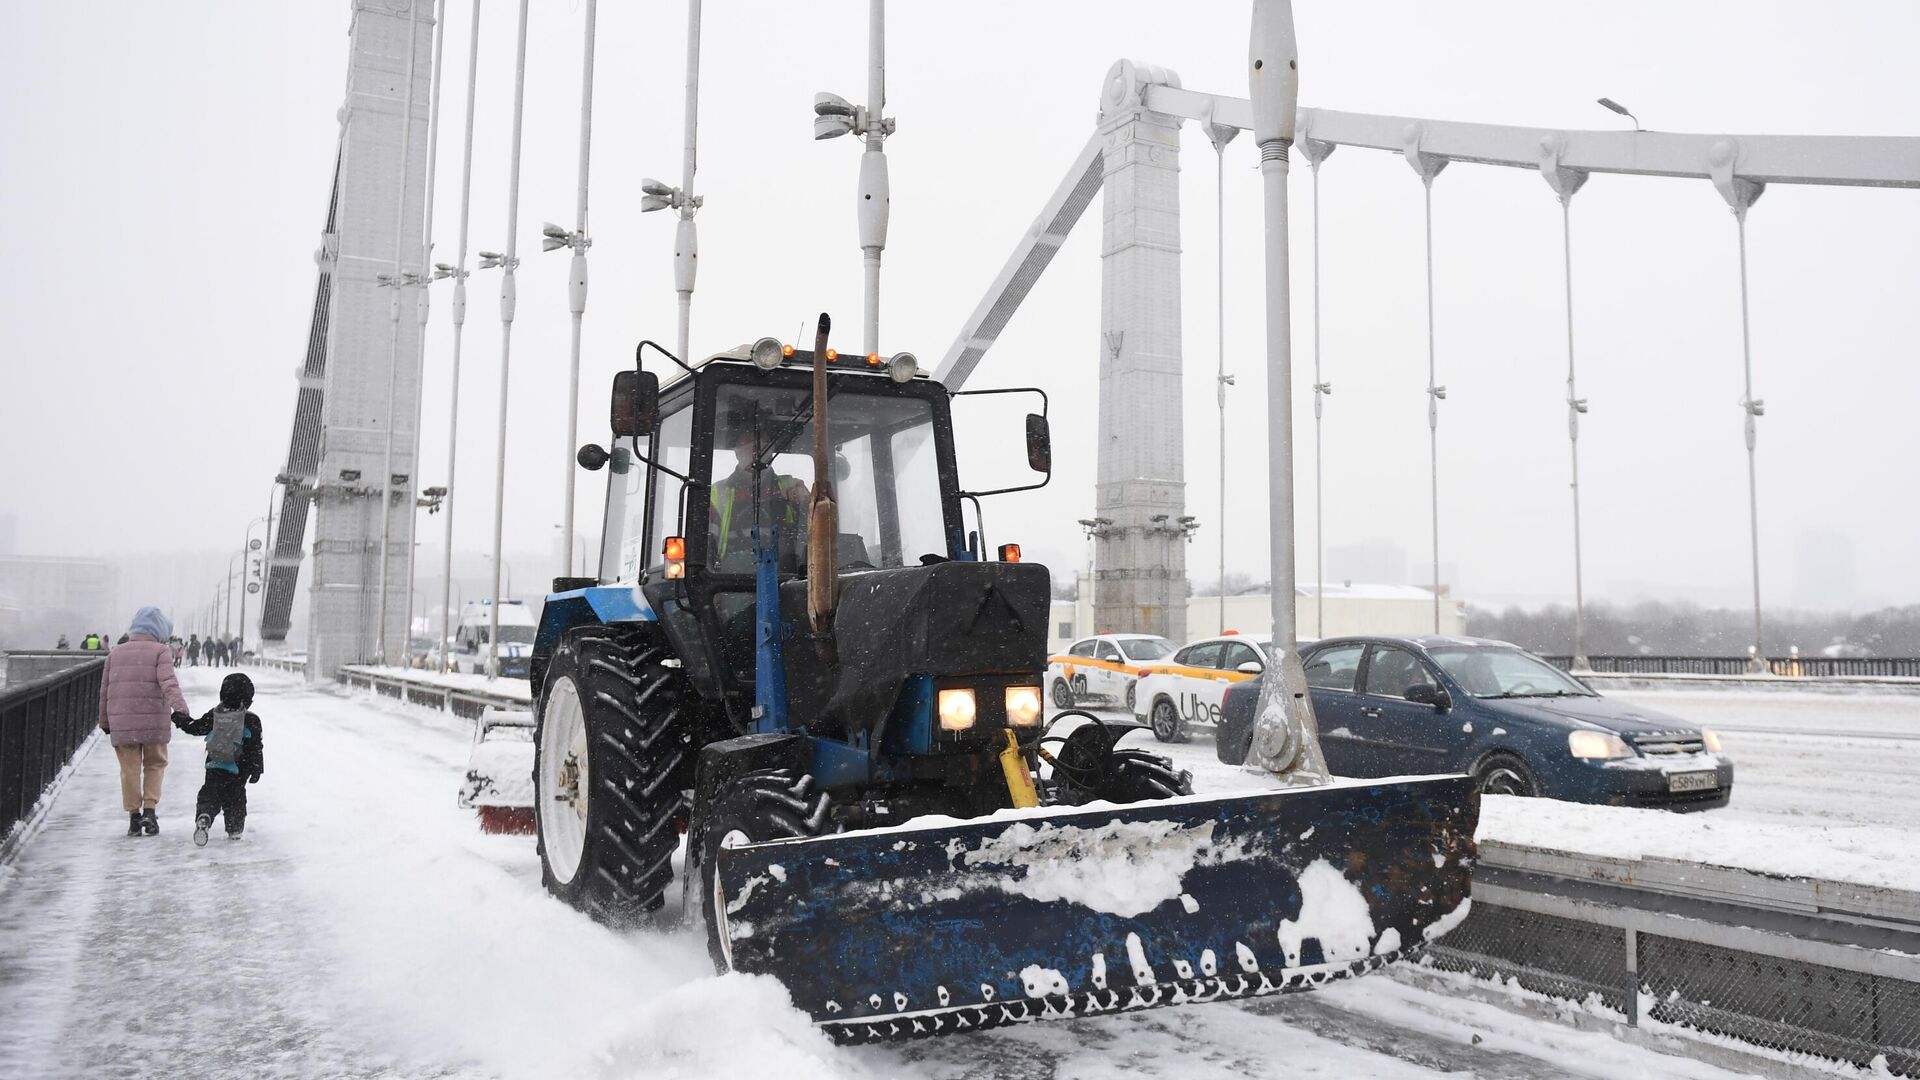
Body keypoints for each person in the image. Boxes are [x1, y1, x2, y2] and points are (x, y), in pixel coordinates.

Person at [99, 606, 191, 837]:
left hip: (123, 721)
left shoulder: (115, 653)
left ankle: (133, 816)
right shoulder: (161, 651)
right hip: (153, 721)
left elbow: (105, 691)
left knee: (128, 770)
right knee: (155, 764)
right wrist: (180, 709)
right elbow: (169, 682)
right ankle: (149, 811)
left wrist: (104, 721)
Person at [175, 673, 264, 845]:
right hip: (240, 768)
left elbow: (196, 728)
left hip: (215, 764)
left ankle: (205, 816)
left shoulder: (215, 714)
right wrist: (256, 769)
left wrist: (181, 719)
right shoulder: (252, 720)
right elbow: (256, 747)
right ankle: (235, 829)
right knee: (236, 796)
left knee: (211, 792)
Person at [709, 422, 810, 573]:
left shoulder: (792, 486)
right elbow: (705, 545)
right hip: (732, 578)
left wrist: (804, 503)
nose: (756, 449)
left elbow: (815, 525)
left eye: (762, 444)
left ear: (771, 450)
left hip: (788, 573)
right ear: (737, 451)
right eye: (748, 443)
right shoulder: (718, 493)